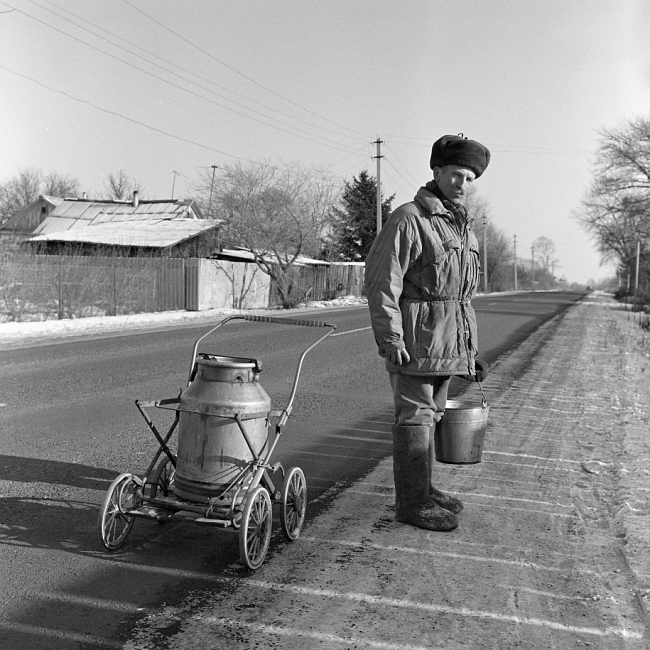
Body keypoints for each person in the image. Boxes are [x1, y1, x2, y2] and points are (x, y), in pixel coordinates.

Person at [365, 134, 490, 532]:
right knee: (415, 418)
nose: (462, 184)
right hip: (416, 344)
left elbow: (461, 299)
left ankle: (426, 489)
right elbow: (383, 283)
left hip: (446, 346)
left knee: (432, 416)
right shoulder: (409, 218)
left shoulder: (462, 229)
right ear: (437, 171)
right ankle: (412, 503)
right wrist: (391, 340)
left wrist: (470, 354)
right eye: (456, 174)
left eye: (470, 178)